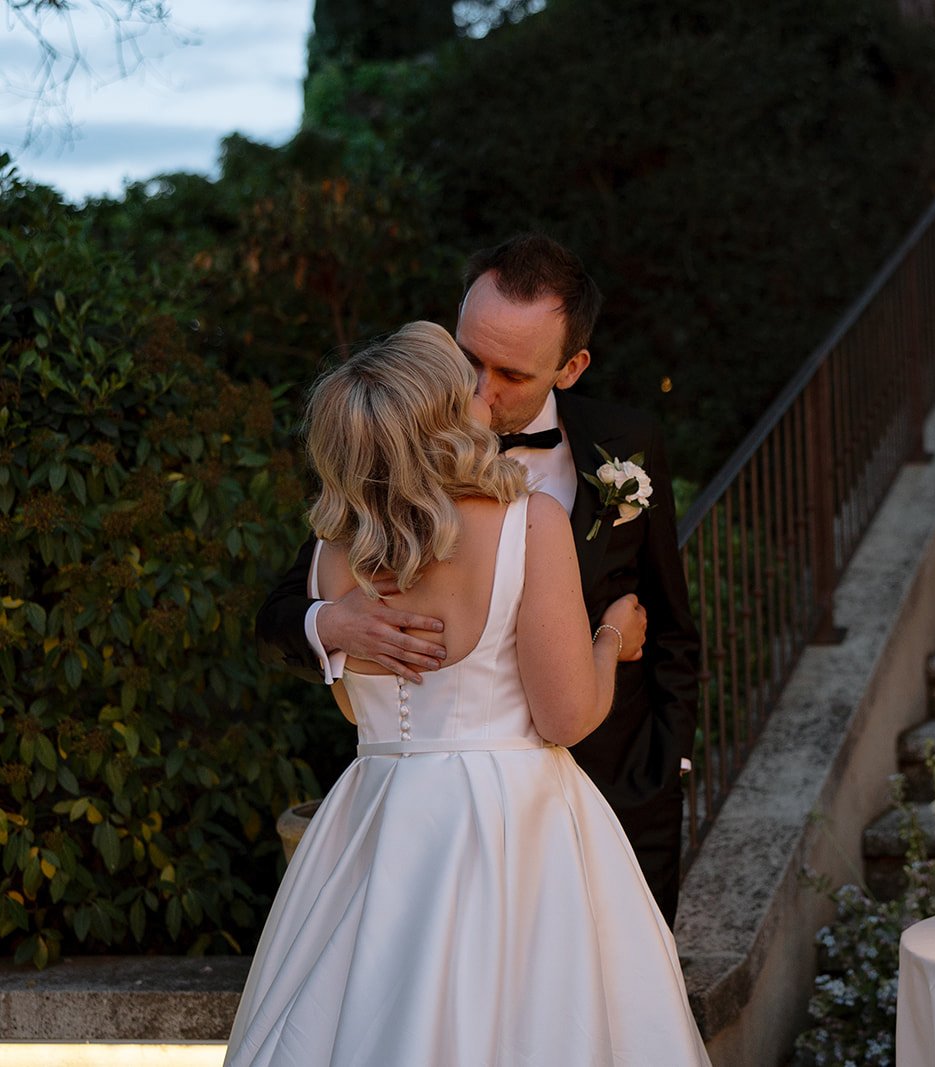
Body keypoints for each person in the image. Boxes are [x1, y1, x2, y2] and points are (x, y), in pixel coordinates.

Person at [226, 322, 710, 1065]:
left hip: (375, 818)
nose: (484, 391)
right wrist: (613, 638)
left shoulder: (332, 554)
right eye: (466, 383)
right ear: (442, 416)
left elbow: (359, 709)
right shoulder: (528, 522)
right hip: (513, 826)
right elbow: (567, 716)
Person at [255, 234, 699, 925]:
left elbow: (673, 621)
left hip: (608, 797)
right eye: (468, 362)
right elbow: (281, 612)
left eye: (513, 374)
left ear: (571, 366)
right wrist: (329, 625)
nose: (484, 390)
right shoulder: (381, 507)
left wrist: (665, 767)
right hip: (487, 823)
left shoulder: (627, 441)